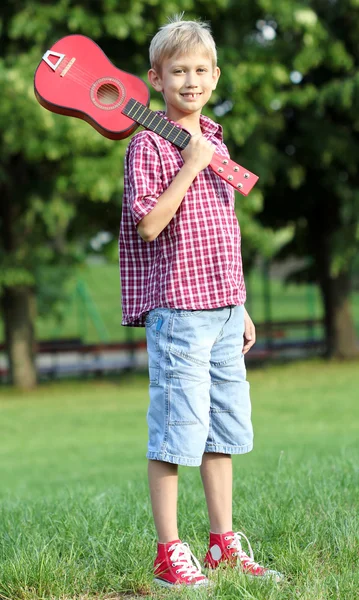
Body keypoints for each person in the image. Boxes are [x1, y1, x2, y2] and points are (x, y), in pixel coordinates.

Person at [119, 15, 283, 588]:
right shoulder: (149, 144)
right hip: (179, 313)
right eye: (178, 71)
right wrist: (189, 166)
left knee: (220, 430)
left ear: (215, 76)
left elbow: (224, 231)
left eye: (200, 70)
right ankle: (170, 554)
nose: (191, 80)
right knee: (175, 432)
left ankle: (222, 545)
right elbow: (149, 226)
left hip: (220, 309)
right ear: (155, 79)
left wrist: (239, 304)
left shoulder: (216, 139)